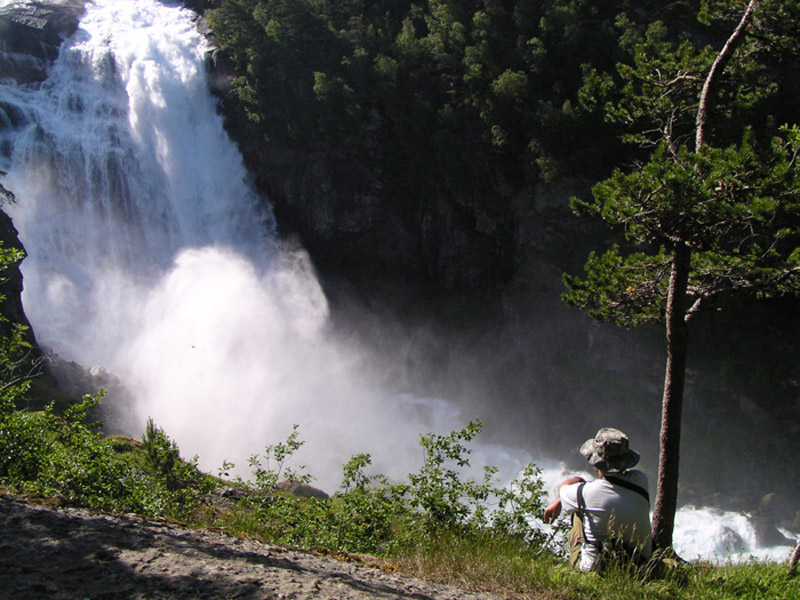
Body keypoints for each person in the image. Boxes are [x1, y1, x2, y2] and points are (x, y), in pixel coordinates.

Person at [543, 427, 652, 572]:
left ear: (595, 462)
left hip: (598, 571)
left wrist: (577, 480)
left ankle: (579, 567)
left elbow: (564, 488)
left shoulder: (586, 493)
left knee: (578, 513)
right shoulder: (641, 480)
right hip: (640, 569)